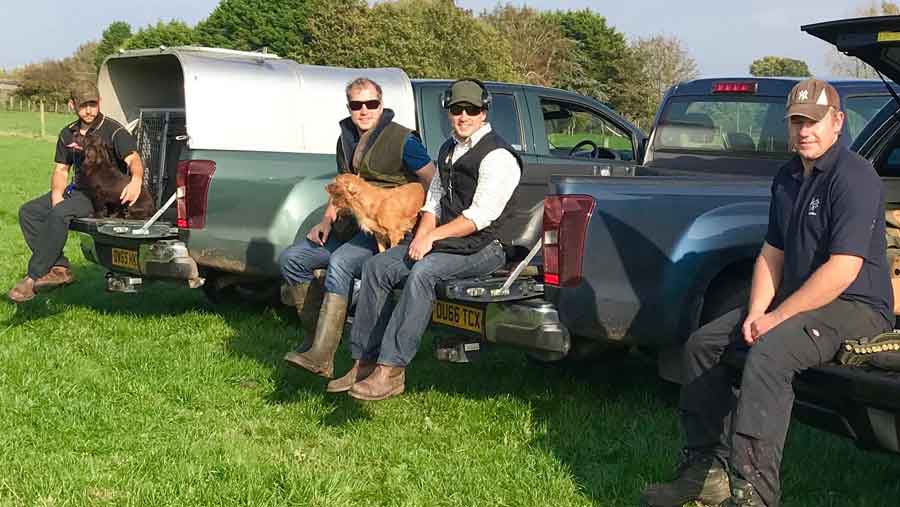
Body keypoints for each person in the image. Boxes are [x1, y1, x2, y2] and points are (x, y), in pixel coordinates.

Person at [641, 79, 894, 507]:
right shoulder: (788, 176)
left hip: (855, 305)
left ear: (837, 122)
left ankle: (754, 492)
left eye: (813, 121)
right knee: (704, 344)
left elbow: (842, 270)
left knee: (769, 353)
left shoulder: (855, 177)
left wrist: (775, 321)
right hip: (799, 302)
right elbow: (771, 254)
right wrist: (755, 313)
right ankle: (707, 472)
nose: (804, 131)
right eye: (796, 121)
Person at [325, 78, 523, 400]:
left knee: (423, 273)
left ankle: (391, 370)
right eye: (457, 109)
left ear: (484, 113)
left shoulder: (498, 156)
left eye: (471, 110)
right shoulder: (448, 148)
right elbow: (433, 199)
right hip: (446, 238)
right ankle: (364, 361)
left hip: (486, 246)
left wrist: (430, 238)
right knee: (377, 266)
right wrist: (422, 234)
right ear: (449, 112)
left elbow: (480, 217)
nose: (463, 116)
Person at [281, 77, 436, 378]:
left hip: (383, 228)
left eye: (371, 104)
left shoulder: (403, 140)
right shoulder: (346, 138)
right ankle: (318, 342)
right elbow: (341, 189)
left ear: (381, 105)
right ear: (349, 107)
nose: (364, 110)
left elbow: (432, 179)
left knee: (340, 264)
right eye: (356, 105)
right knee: (293, 259)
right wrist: (326, 220)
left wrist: (422, 223)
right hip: (349, 226)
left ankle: (324, 356)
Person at [8, 82, 145, 303]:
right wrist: (56, 194)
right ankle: (60, 268)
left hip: (101, 197)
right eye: (83, 106)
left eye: (93, 104)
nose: (89, 110)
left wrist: (136, 179)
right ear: (73, 105)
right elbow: (62, 169)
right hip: (77, 190)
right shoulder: (67, 134)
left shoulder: (113, 130)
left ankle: (33, 277)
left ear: (99, 103)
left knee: (61, 213)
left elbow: (134, 159)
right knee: (29, 212)